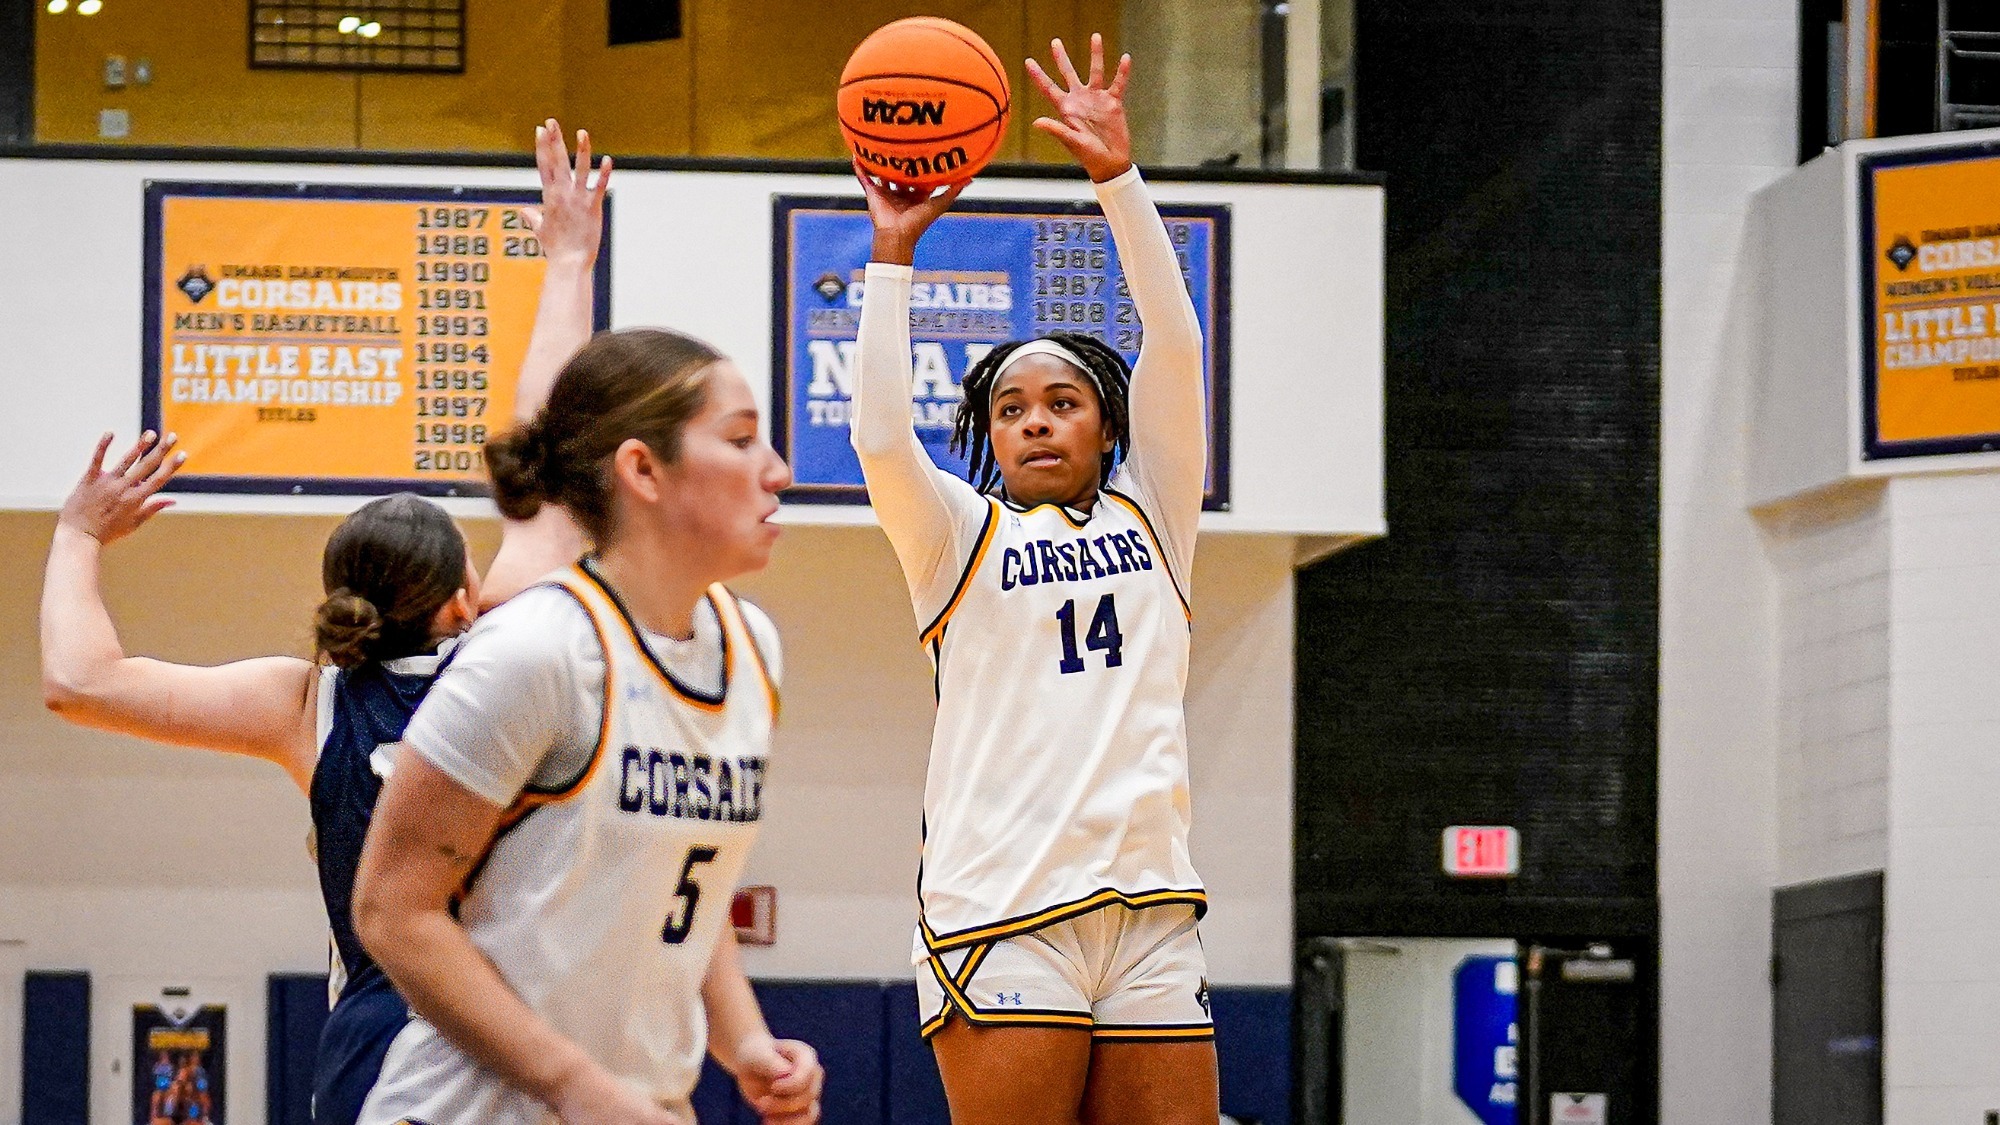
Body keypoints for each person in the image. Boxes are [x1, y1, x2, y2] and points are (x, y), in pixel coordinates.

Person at [39, 121, 610, 1125]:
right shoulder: (510, 650)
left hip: (375, 1056)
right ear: (458, 601)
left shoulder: (306, 700)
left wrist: (78, 533)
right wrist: (566, 258)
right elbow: (546, 439)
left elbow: (78, 682)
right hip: (517, 1037)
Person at [850, 34, 1218, 1125]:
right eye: (1010, 409)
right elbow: (878, 439)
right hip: (1003, 911)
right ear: (989, 437)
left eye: (1060, 401)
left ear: (1107, 424)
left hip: (1151, 912)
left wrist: (1116, 175)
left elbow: (1177, 341)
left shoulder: (1155, 512)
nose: (1033, 420)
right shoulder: (956, 538)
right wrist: (889, 255)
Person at [349, 320, 820, 1125]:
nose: (776, 469)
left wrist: (746, 1041)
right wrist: (575, 1083)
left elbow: (678, 886)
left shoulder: (752, 646)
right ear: (643, 469)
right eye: (741, 440)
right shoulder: (537, 649)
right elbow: (393, 908)